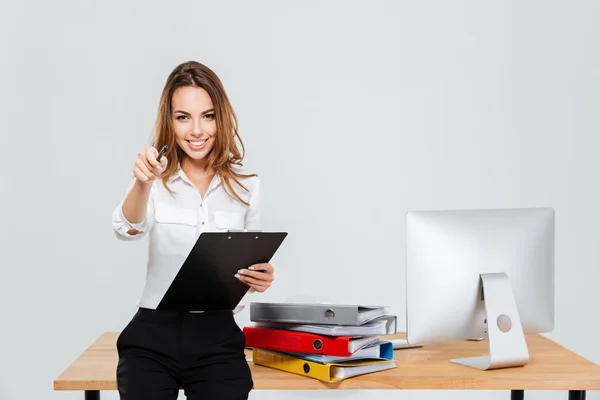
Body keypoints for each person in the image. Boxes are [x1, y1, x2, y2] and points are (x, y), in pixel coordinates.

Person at [111, 61, 274, 400]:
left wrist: (261, 277)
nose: (196, 130)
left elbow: (246, 264)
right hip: (152, 335)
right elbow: (127, 228)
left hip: (217, 336)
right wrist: (143, 183)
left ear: (221, 118)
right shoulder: (153, 178)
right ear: (170, 122)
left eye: (208, 116)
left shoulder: (248, 188)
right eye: (183, 117)